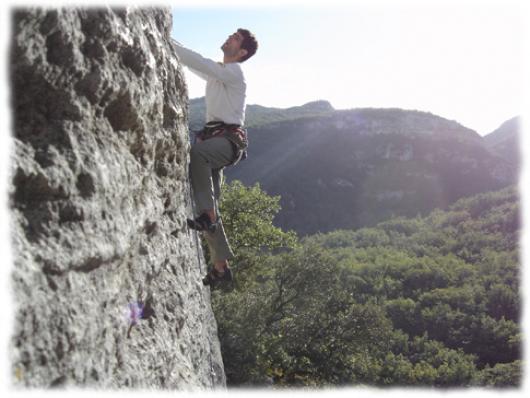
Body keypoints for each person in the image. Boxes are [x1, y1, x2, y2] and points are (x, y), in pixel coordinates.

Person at [172, 29, 258, 286]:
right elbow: (197, 64)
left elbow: (199, 62)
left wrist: (165, 36)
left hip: (226, 143)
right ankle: (220, 267)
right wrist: (172, 41)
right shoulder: (220, 74)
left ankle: (207, 218)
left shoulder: (234, 72)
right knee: (207, 203)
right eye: (232, 34)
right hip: (218, 141)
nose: (229, 37)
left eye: (236, 38)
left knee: (197, 155)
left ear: (241, 52)